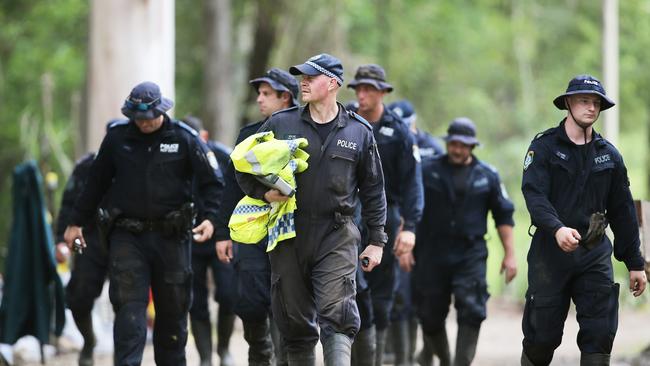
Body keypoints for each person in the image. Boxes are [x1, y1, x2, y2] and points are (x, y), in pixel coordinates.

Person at [235, 53, 388, 366]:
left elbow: (374, 189)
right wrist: (264, 193)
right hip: (288, 232)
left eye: (310, 76)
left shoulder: (358, 132)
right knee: (294, 322)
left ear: (332, 83)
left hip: (337, 233)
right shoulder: (281, 123)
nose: (302, 82)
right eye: (301, 76)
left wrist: (377, 240)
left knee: (339, 313)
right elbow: (242, 165)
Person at [63, 81, 223, 366]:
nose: (144, 124)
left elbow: (213, 184)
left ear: (161, 111)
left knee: (172, 317)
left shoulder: (184, 138)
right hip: (128, 237)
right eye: (138, 119)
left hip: (172, 238)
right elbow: (94, 185)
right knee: (129, 314)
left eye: (149, 118)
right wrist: (75, 223)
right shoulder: (116, 140)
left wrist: (211, 219)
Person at [520, 74, 647, 366]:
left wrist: (635, 263)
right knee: (542, 335)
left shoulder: (609, 156)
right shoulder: (544, 148)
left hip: (593, 253)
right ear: (568, 103)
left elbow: (623, 212)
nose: (591, 108)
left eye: (596, 103)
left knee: (600, 331)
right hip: (550, 253)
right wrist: (556, 228)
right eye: (584, 101)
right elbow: (534, 196)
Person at [409, 117, 516, 366]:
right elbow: (411, 207)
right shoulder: (427, 170)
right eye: (453, 143)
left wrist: (509, 254)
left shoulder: (487, 175)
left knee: (472, 307)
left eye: (463, 145)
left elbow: (504, 215)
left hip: (471, 252)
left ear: (472, 146)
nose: (457, 149)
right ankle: (446, 360)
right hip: (432, 252)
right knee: (429, 314)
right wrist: (408, 242)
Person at [215, 67, 299, 366]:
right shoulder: (248, 135)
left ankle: (282, 360)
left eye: (267, 94)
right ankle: (260, 355)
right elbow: (230, 186)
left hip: (293, 235)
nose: (260, 100)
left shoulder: (306, 132)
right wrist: (223, 233)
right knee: (250, 304)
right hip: (252, 233)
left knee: (287, 306)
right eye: (259, 94)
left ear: (285, 96)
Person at [348, 64, 424, 366]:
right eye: (358, 89)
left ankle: (374, 359)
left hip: (385, 217)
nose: (362, 94)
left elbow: (412, 183)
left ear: (382, 92)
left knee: (381, 297)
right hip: (346, 216)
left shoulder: (399, 132)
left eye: (368, 89)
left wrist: (410, 227)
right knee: (348, 290)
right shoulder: (345, 122)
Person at [182, 115, 236, 366]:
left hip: (221, 236)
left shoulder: (223, 157)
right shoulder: (177, 158)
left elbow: (237, 190)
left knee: (228, 293)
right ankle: (205, 357)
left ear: (204, 137)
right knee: (195, 300)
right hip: (190, 238)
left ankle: (223, 349)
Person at [55, 151, 106, 366]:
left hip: (128, 236)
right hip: (89, 236)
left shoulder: (140, 158)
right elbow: (69, 204)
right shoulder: (88, 165)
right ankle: (89, 341)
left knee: (128, 298)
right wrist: (61, 240)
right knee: (79, 296)